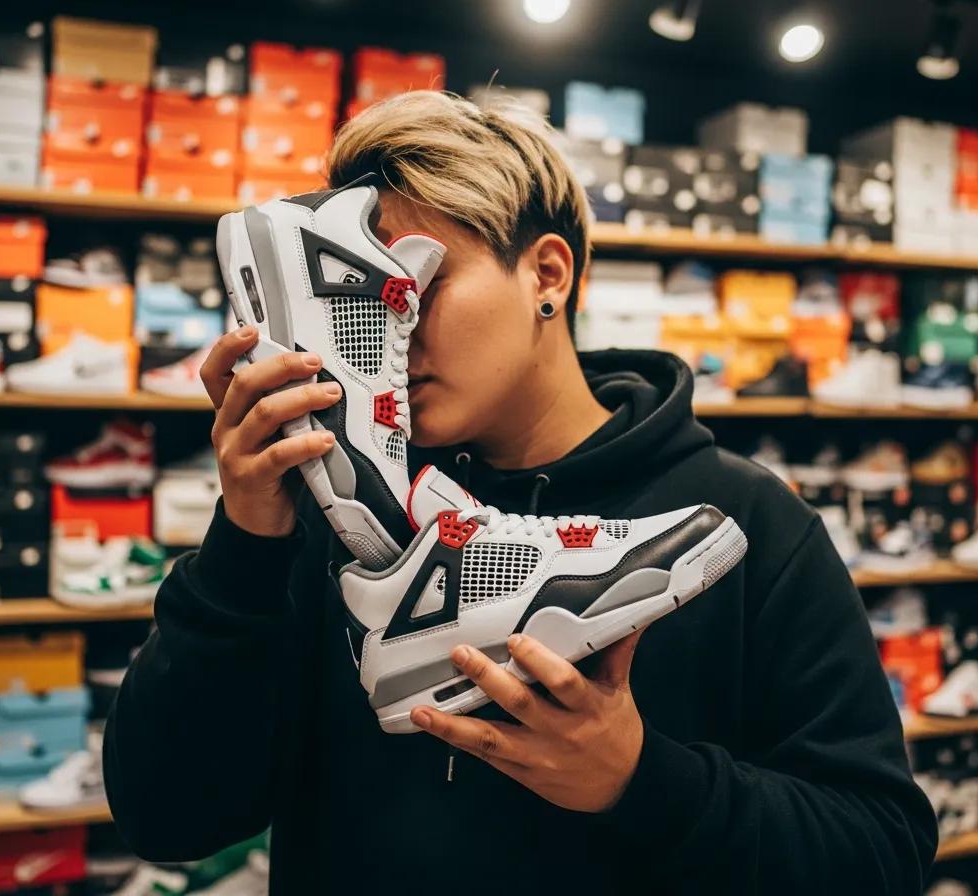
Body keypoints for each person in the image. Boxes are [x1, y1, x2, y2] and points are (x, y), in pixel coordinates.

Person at [104, 91, 936, 894]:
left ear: (547, 274)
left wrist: (641, 781)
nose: (389, 328)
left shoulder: (746, 522)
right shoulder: (330, 509)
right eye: (360, 301)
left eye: (416, 286)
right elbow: (164, 816)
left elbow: (881, 854)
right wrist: (244, 545)